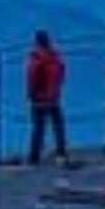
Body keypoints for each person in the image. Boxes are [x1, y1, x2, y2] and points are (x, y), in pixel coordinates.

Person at [23, 28, 69, 165]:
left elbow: (32, 78)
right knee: (58, 125)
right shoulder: (55, 57)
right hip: (54, 97)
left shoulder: (36, 59)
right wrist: (56, 90)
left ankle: (34, 156)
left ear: (37, 42)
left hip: (39, 98)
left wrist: (31, 94)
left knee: (38, 127)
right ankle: (61, 153)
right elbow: (62, 73)